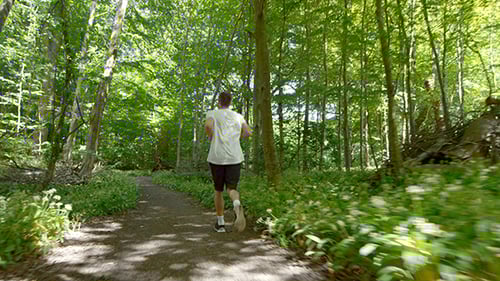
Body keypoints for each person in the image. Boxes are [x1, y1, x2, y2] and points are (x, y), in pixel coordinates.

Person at [205, 91, 252, 233]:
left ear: (219, 102)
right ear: (230, 102)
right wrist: (238, 138)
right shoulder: (238, 116)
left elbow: (208, 126)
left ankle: (221, 224)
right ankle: (236, 204)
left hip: (217, 157)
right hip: (235, 157)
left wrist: (211, 136)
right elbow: (248, 132)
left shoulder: (212, 113)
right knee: (232, 188)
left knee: (218, 190)